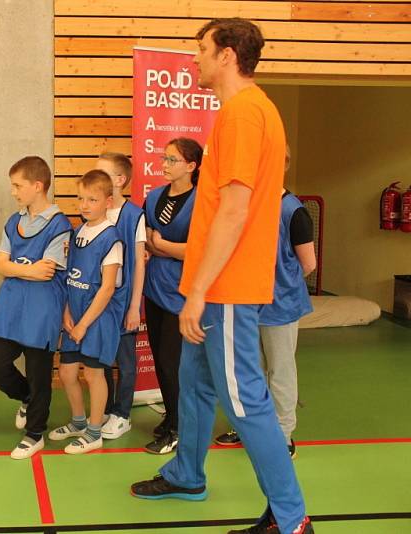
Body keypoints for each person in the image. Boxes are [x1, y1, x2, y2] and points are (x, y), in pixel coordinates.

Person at [130, 18, 314, 534]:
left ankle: (291, 518)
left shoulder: (244, 113)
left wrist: (200, 292)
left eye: (202, 50)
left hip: (227, 289)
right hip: (211, 286)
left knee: (245, 402)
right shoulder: (242, 112)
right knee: (194, 383)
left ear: (228, 54)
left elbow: (234, 211)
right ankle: (188, 473)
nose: (195, 60)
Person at [215, 147, 316, 458]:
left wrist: (278, 282)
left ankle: (283, 435)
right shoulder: (248, 205)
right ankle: (250, 429)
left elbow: (308, 263)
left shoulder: (292, 210)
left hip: (280, 306)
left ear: (283, 165)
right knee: (249, 371)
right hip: (247, 302)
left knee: (280, 371)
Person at [0, 155, 72, 460]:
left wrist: (14, 266)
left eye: (17, 185)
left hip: (42, 310)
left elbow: (46, 271)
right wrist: (24, 268)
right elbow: (0, 265)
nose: (13, 191)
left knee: (39, 374)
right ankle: (27, 399)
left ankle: (35, 433)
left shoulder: (60, 225)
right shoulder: (14, 222)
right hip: (11, 308)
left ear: (38, 186)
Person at [50, 169, 125, 454]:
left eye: (92, 200)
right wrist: (67, 312)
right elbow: (71, 276)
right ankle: (79, 422)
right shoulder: (78, 231)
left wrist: (83, 324)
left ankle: (95, 433)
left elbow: (106, 289)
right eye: (80, 198)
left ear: (107, 201)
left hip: (97, 318)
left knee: (94, 374)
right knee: (67, 373)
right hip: (75, 315)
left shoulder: (111, 238)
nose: (84, 205)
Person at [141, 137, 203, 454]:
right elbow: (145, 239)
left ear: (191, 166)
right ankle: (171, 416)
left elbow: (200, 251)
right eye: (164, 158)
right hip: (155, 286)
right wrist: (163, 247)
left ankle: (180, 428)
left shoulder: (202, 200)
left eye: (172, 160)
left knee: (173, 362)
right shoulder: (154, 198)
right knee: (160, 360)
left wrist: (164, 247)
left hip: (183, 291)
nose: (164, 165)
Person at [94, 153, 146, 441]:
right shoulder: (95, 210)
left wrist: (135, 305)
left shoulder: (133, 214)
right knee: (100, 360)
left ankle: (122, 414)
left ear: (120, 180)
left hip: (123, 301)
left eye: (101, 171)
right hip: (99, 302)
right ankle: (104, 408)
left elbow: (139, 263)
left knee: (125, 363)